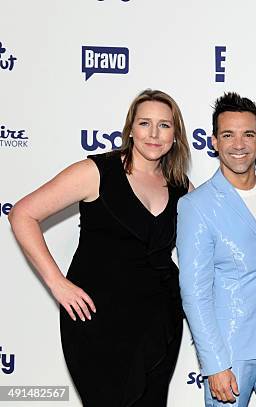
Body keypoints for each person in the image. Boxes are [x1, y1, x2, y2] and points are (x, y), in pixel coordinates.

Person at [8, 89, 192, 406]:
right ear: (130, 129)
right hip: (97, 319)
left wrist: (253, 181)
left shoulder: (181, 186)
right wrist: (57, 283)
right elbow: (23, 214)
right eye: (144, 123)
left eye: (164, 125)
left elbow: (220, 224)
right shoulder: (96, 172)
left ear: (175, 135)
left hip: (159, 320)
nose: (153, 134)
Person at [177, 92, 256, 407]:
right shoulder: (195, 206)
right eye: (228, 135)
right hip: (231, 347)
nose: (238, 144)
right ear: (214, 141)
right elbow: (194, 291)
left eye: (248, 135)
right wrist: (215, 364)